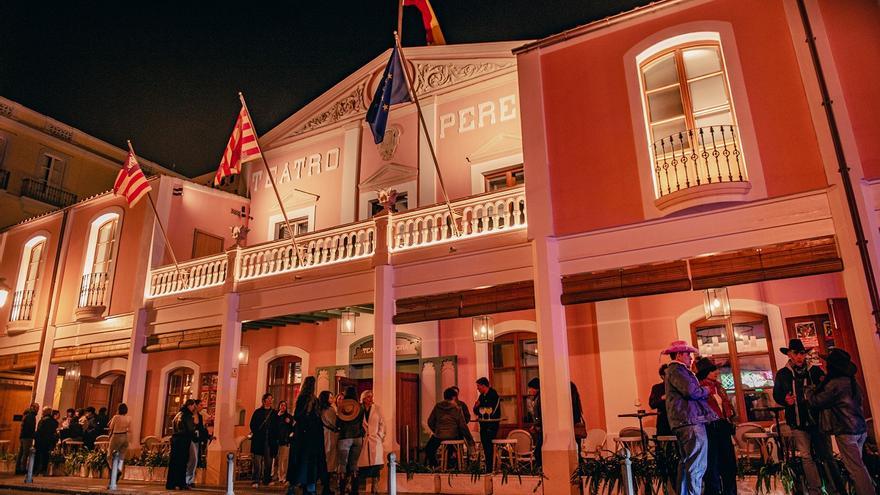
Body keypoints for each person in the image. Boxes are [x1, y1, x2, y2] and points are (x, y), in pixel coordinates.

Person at [773, 338, 842, 495]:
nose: (799, 357)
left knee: (826, 455)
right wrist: (785, 399)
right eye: (796, 353)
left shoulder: (815, 371)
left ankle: (835, 489)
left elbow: (826, 391)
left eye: (802, 353)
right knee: (806, 456)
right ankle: (815, 490)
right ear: (789, 354)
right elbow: (777, 394)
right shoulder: (783, 374)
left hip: (818, 421)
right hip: (797, 422)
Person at [807, 348, 876, 495]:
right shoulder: (852, 381)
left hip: (846, 431)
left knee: (856, 469)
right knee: (860, 466)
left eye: (827, 363)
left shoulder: (835, 384)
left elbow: (816, 401)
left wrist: (809, 391)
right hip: (860, 429)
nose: (824, 365)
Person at [663, 340, 717, 495]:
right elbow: (691, 391)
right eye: (687, 354)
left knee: (688, 462)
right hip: (690, 421)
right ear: (679, 354)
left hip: (686, 421)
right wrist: (706, 390)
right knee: (696, 464)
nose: (691, 358)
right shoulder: (677, 370)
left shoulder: (675, 370)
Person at [696, 357, 736, 495]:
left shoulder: (718, 387)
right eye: (713, 370)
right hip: (709, 426)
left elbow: (726, 406)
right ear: (705, 372)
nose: (716, 372)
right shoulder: (700, 388)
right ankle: (713, 491)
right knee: (712, 462)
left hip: (723, 424)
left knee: (729, 462)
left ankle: (730, 491)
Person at [288, 376, 323, 495]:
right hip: (309, 435)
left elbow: (297, 415)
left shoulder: (302, 398)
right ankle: (308, 486)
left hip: (302, 434)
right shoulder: (311, 399)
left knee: (300, 460)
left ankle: (297, 486)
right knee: (308, 461)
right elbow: (312, 417)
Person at [426, 387, 474, 467]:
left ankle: (435, 466)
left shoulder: (437, 406)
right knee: (453, 449)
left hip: (439, 435)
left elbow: (430, 421)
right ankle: (454, 466)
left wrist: (436, 430)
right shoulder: (457, 408)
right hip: (453, 435)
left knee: (429, 449)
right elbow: (463, 426)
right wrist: (470, 441)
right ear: (454, 397)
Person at [336, 386, 365, 495]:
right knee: (354, 464)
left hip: (344, 438)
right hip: (357, 438)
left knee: (342, 464)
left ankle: (342, 490)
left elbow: (337, 423)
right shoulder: (360, 408)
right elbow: (362, 421)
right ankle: (355, 490)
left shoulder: (342, 406)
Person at [357, 390, 385, 495]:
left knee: (375, 467)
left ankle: (375, 489)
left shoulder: (377, 409)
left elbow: (382, 423)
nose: (371, 399)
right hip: (364, 440)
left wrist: (380, 435)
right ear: (363, 399)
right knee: (363, 466)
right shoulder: (359, 409)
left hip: (375, 440)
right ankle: (362, 489)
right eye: (368, 397)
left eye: (371, 396)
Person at [166, 399, 196, 490]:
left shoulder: (178, 415)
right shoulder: (187, 415)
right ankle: (181, 483)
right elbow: (190, 429)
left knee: (174, 463)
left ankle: (171, 483)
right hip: (183, 441)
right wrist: (195, 435)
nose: (194, 408)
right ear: (189, 406)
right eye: (193, 406)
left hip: (175, 441)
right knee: (182, 463)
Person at [473, 377, 500, 472]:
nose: (477, 388)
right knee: (485, 446)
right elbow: (476, 410)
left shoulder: (493, 394)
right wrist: (478, 408)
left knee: (489, 446)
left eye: (478, 386)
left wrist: (482, 409)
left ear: (484, 386)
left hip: (491, 425)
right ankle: (488, 467)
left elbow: (492, 410)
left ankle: (491, 468)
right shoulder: (481, 396)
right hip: (483, 425)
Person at [250, 393, 277, 488]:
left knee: (268, 461)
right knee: (257, 461)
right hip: (259, 440)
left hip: (269, 440)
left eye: (271, 399)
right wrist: (258, 432)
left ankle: (267, 479)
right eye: (269, 399)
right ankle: (256, 480)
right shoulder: (257, 412)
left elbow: (276, 426)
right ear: (264, 400)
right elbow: (252, 425)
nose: (270, 400)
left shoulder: (274, 413)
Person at [318, 391, 338, 495]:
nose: (333, 398)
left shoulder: (320, 409)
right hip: (329, 436)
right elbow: (334, 423)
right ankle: (326, 487)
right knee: (329, 461)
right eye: (330, 397)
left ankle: (325, 485)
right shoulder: (329, 410)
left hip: (324, 435)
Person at [186, 399, 208, 488]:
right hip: (190, 439)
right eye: (200, 405)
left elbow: (201, 428)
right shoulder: (189, 415)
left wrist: (207, 436)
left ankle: (190, 480)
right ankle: (187, 480)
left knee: (194, 460)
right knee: (191, 459)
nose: (202, 407)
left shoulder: (200, 416)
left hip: (197, 440)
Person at [106, 403, 131, 479]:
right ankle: (119, 470)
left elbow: (110, 426)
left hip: (116, 436)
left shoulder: (116, 417)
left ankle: (115, 470)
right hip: (125, 436)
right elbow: (130, 429)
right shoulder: (129, 418)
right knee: (121, 456)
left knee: (109, 455)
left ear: (118, 409)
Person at [34, 407, 58, 476]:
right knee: (45, 456)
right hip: (48, 441)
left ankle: (36, 470)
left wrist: (35, 436)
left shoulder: (43, 420)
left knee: (38, 456)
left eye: (43, 411)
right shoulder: (54, 421)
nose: (42, 412)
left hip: (40, 440)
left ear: (46, 412)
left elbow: (39, 430)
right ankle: (43, 470)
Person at [649, 364, 671, 436]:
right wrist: (662, 398)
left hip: (677, 421)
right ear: (662, 376)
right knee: (663, 445)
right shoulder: (657, 388)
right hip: (663, 421)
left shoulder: (678, 386)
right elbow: (652, 404)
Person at [275, 400, 293, 485]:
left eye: (284, 406)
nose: (283, 407)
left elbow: (292, 428)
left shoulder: (288, 417)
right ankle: (275, 475)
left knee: (284, 460)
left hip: (285, 441)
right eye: (281, 405)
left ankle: (283, 477)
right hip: (275, 441)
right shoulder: (275, 416)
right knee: (274, 460)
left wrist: (289, 436)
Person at [17, 403, 38, 474]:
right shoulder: (31, 416)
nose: (38, 410)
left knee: (21, 452)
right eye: (37, 408)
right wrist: (33, 434)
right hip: (27, 436)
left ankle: (18, 468)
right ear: (33, 407)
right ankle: (22, 469)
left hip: (23, 436)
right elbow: (30, 427)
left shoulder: (27, 414)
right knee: (25, 453)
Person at [527, 377, 542, 467]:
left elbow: (540, 415)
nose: (529, 390)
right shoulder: (536, 399)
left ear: (536, 388)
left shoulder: (539, 399)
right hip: (539, 428)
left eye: (530, 388)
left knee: (538, 452)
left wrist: (537, 425)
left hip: (541, 429)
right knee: (538, 451)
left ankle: (542, 470)